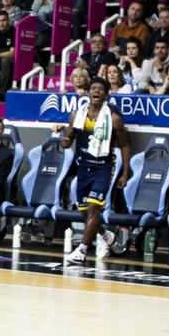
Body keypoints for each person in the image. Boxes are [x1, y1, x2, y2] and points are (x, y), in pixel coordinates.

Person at [59, 77, 120, 264]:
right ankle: (106, 235)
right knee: (84, 211)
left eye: (100, 89)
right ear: (87, 92)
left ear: (106, 94)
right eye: (93, 88)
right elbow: (69, 137)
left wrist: (124, 173)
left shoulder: (114, 118)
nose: (96, 92)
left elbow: (125, 145)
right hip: (83, 166)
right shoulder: (77, 115)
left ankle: (82, 251)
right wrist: (65, 141)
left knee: (94, 209)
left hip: (103, 167)